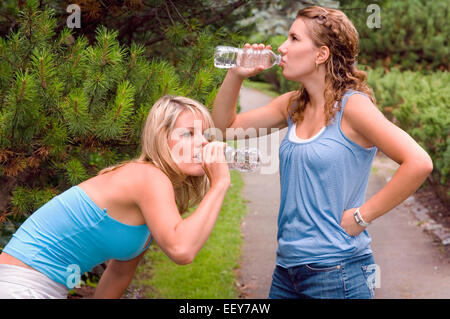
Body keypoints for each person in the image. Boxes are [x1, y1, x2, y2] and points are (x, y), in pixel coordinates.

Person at [212, 6, 433, 299]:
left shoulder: (353, 107)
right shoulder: (293, 105)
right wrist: (237, 74)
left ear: (321, 54)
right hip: (287, 270)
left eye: (293, 39)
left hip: (339, 272)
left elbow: (419, 162)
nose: (282, 47)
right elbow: (224, 128)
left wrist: (362, 217)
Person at [0, 95, 230, 299]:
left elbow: (120, 273)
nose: (203, 142)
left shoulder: (156, 190)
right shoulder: (147, 176)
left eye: (206, 134)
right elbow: (182, 250)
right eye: (189, 133)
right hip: (19, 285)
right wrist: (219, 184)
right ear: (162, 138)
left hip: (42, 288)